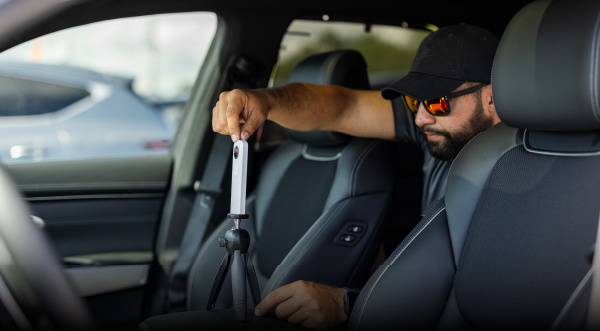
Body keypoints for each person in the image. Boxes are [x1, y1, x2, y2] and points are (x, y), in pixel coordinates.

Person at [212, 24, 500, 330]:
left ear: (491, 96)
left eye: (435, 101)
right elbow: (342, 106)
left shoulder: (524, 183)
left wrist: (349, 304)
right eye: (415, 102)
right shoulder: (442, 132)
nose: (420, 118)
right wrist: (265, 101)